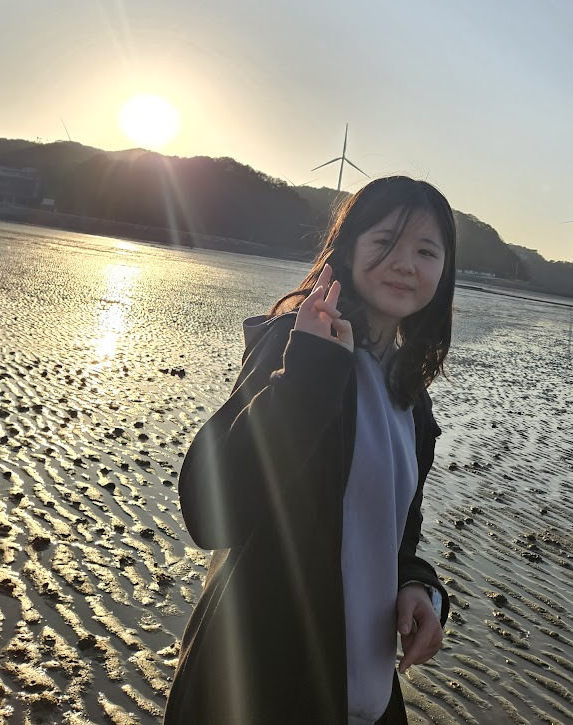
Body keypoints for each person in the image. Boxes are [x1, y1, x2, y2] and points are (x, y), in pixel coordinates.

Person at [164, 176, 456, 725]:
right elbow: (208, 512)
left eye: (426, 251)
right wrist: (308, 374)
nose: (405, 264)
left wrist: (417, 584)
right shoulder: (296, 347)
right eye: (385, 242)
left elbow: (394, 532)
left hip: (364, 693)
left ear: (444, 273)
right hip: (261, 689)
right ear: (348, 249)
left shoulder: (410, 399)